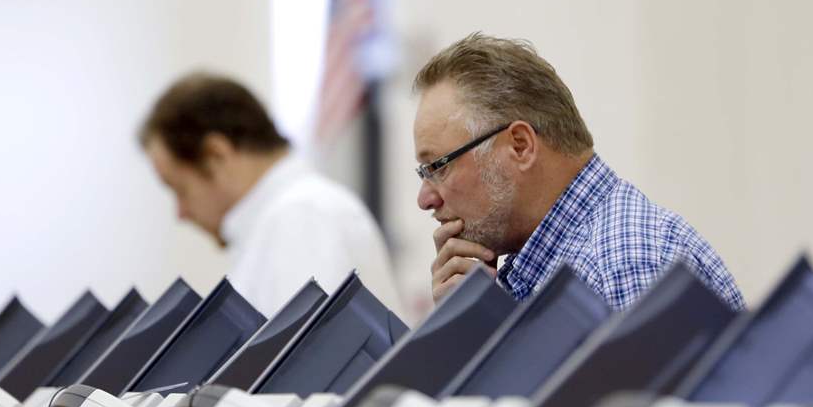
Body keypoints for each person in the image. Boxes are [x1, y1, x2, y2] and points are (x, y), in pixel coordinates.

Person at [413, 33, 744, 311]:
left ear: (520, 146)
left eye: (438, 166)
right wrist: (470, 327)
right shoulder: (563, 269)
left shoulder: (621, 265)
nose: (425, 199)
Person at [139, 72, 403, 318]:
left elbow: (309, 352)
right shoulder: (285, 218)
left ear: (216, 155)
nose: (181, 213)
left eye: (180, 189)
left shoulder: (301, 216)